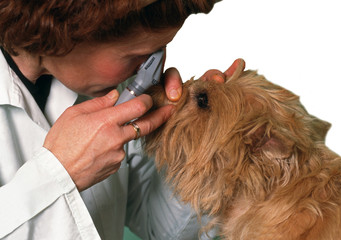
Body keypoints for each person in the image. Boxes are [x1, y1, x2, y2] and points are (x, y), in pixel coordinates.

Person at [0, 0, 242, 239]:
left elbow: (157, 226)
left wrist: (206, 145)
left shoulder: (113, 90)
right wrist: (59, 176)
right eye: (137, 56)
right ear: (65, 32)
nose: (151, 70)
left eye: (158, 51)